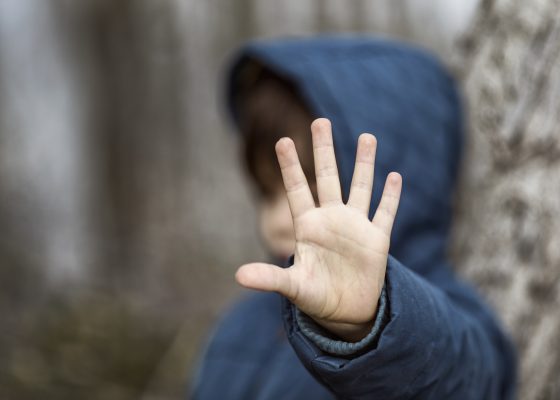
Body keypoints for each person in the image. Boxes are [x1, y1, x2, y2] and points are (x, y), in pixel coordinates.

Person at [190, 36, 517, 399]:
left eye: (311, 192)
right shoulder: (238, 327)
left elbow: (466, 378)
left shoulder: (444, 323)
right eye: (267, 191)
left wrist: (369, 325)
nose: (280, 219)